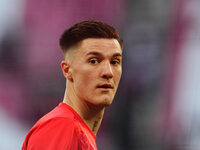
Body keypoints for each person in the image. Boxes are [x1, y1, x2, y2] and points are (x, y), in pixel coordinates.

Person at [22, 20, 123, 150]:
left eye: (115, 62)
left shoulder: (78, 132)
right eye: (93, 61)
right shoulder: (62, 126)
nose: (108, 72)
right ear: (67, 70)